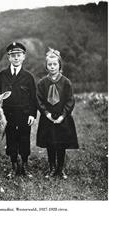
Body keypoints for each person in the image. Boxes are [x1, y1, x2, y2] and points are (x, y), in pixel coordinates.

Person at [0, 42, 37, 178]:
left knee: (24, 139)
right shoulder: (2, 75)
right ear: (9, 57)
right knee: (11, 139)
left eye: (19, 55)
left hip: (24, 114)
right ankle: (13, 167)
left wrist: (32, 114)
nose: (16, 58)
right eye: (13, 55)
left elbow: (33, 98)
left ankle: (24, 166)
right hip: (8, 114)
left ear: (24, 57)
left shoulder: (28, 77)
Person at [36, 48, 79, 179]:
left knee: (61, 143)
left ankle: (60, 168)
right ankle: (52, 167)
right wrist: (46, 113)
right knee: (50, 143)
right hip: (47, 118)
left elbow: (70, 100)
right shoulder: (42, 83)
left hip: (62, 118)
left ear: (59, 65)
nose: (52, 67)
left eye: (55, 64)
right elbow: (39, 100)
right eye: (50, 64)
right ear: (46, 66)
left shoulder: (66, 82)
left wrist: (63, 115)